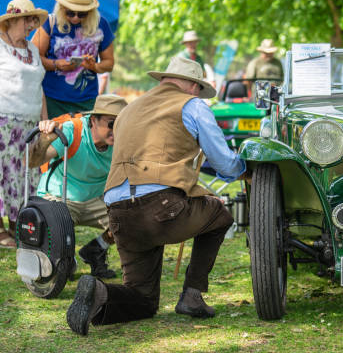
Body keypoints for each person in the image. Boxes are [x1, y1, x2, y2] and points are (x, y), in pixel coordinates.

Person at [66, 56, 249, 336]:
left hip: (117, 211)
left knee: (142, 300)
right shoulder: (193, 105)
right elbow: (224, 163)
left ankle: (98, 294)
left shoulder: (128, 110)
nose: (199, 93)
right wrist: (246, 170)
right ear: (191, 85)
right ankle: (192, 295)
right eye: (199, 87)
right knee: (220, 215)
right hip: (161, 206)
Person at [28, 94, 127, 277]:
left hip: (95, 200)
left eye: (122, 124)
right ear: (93, 120)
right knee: (61, 270)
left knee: (129, 219)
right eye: (112, 124)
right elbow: (33, 162)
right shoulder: (72, 130)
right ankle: (65, 257)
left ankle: (96, 250)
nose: (117, 130)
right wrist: (44, 139)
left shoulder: (122, 142)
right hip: (58, 198)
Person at [0, 0, 48, 248]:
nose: (32, 25)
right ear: (12, 20)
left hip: (29, 124)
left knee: (23, 175)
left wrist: (44, 120)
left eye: (34, 21)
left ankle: (17, 224)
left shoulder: (32, 49)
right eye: (28, 20)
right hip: (4, 122)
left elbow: (39, 88)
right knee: (3, 175)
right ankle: (0, 228)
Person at [33, 0, 115, 119]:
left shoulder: (101, 25)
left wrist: (94, 66)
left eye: (82, 14)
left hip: (87, 101)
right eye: (70, 12)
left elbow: (109, 63)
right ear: (62, 7)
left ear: (90, 11)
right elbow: (34, 57)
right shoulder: (50, 22)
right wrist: (56, 64)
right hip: (52, 100)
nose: (76, 18)